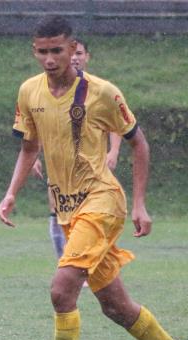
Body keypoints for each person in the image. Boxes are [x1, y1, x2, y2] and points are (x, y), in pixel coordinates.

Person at [0, 16, 188, 340]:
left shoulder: (101, 94)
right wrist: (11, 194)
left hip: (102, 202)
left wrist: (141, 203)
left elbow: (139, 143)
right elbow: (29, 148)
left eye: (56, 50)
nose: (49, 59)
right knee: (117, 307)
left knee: (62, 290)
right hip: (67, 210)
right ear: (34, 50)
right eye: (41, 51)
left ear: (72, 47)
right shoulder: (29, 92)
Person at [33, 37, 123, 260]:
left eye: (80, 53)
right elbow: (42, 124)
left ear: (87, 57)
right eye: (72, 53)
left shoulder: (98, 90)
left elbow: (119, 125)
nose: (75, 58)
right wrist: (34, 155)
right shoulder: (49, 90)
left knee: (92, 218)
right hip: (59, 170)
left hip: (92, 171)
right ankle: (66, 263)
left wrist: (113, 151)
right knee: (57, 215)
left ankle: (87, 264)